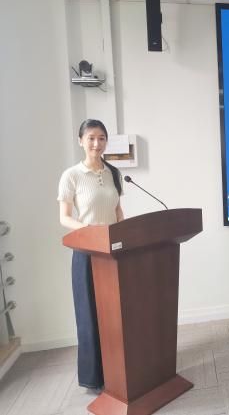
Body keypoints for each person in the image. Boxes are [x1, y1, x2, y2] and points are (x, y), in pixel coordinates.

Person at [57, 119, 124, 390]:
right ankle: (93, 377)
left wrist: (125, 234)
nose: (97, 144)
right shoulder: (71, 175)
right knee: (89, 315)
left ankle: (118, 370)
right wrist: (90, 231)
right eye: (91, 138)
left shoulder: (113, 173)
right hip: (87, 252)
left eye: (102, 138)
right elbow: (64, 217)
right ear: (81, 141)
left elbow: (117, 211)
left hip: (113, 250)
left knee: (115, 313)